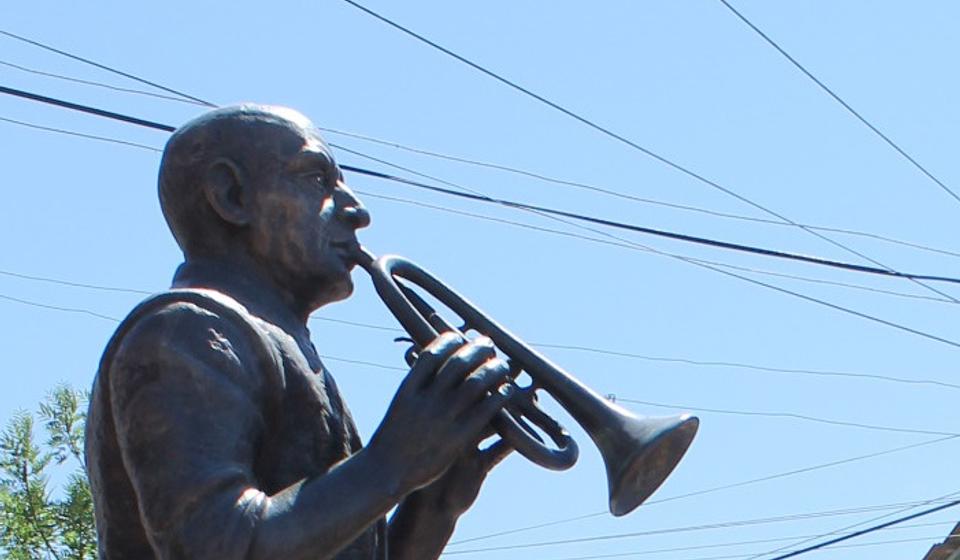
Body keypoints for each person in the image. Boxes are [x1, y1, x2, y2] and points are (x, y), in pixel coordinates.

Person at [85, 104, 515, 559]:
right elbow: (216, 549)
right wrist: (390, 465)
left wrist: (433, 502)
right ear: (232, 196)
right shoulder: (187, 331)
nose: (356, 210)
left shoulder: (277, 347)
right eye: (316, 180)